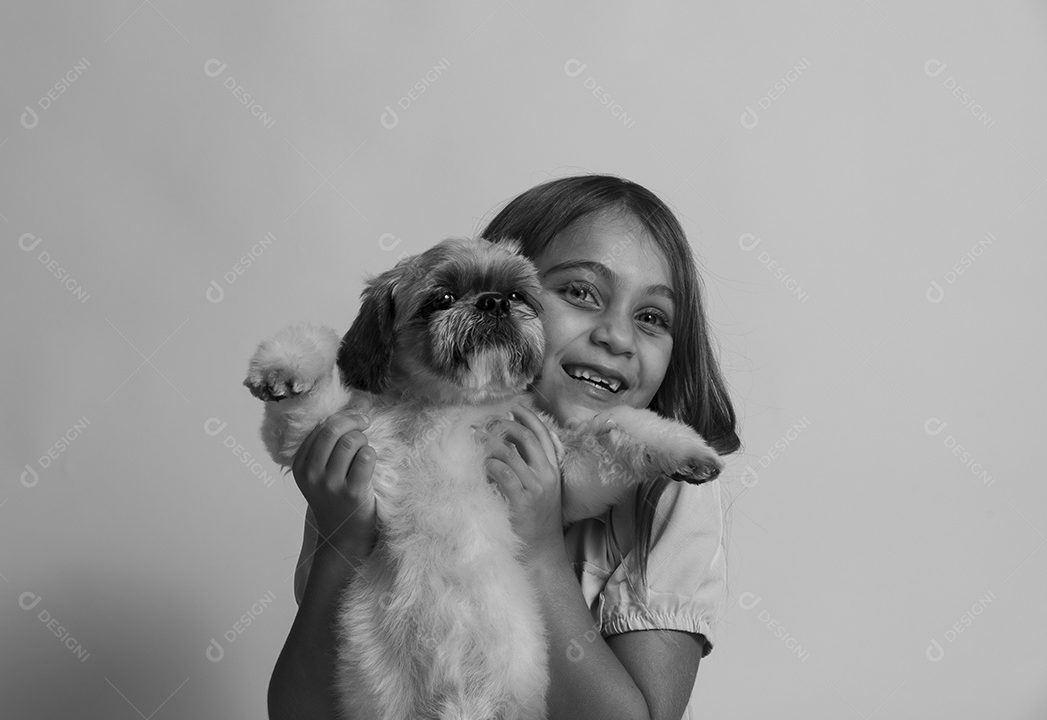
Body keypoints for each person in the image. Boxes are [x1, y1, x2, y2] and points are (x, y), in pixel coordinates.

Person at [267, 175, 740, 720]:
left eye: (652, 317)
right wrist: (343, 538)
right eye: (579, 292)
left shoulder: (671, 492)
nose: (617, 336)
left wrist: (538, 549)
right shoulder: (359, 464)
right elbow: (297, 712)